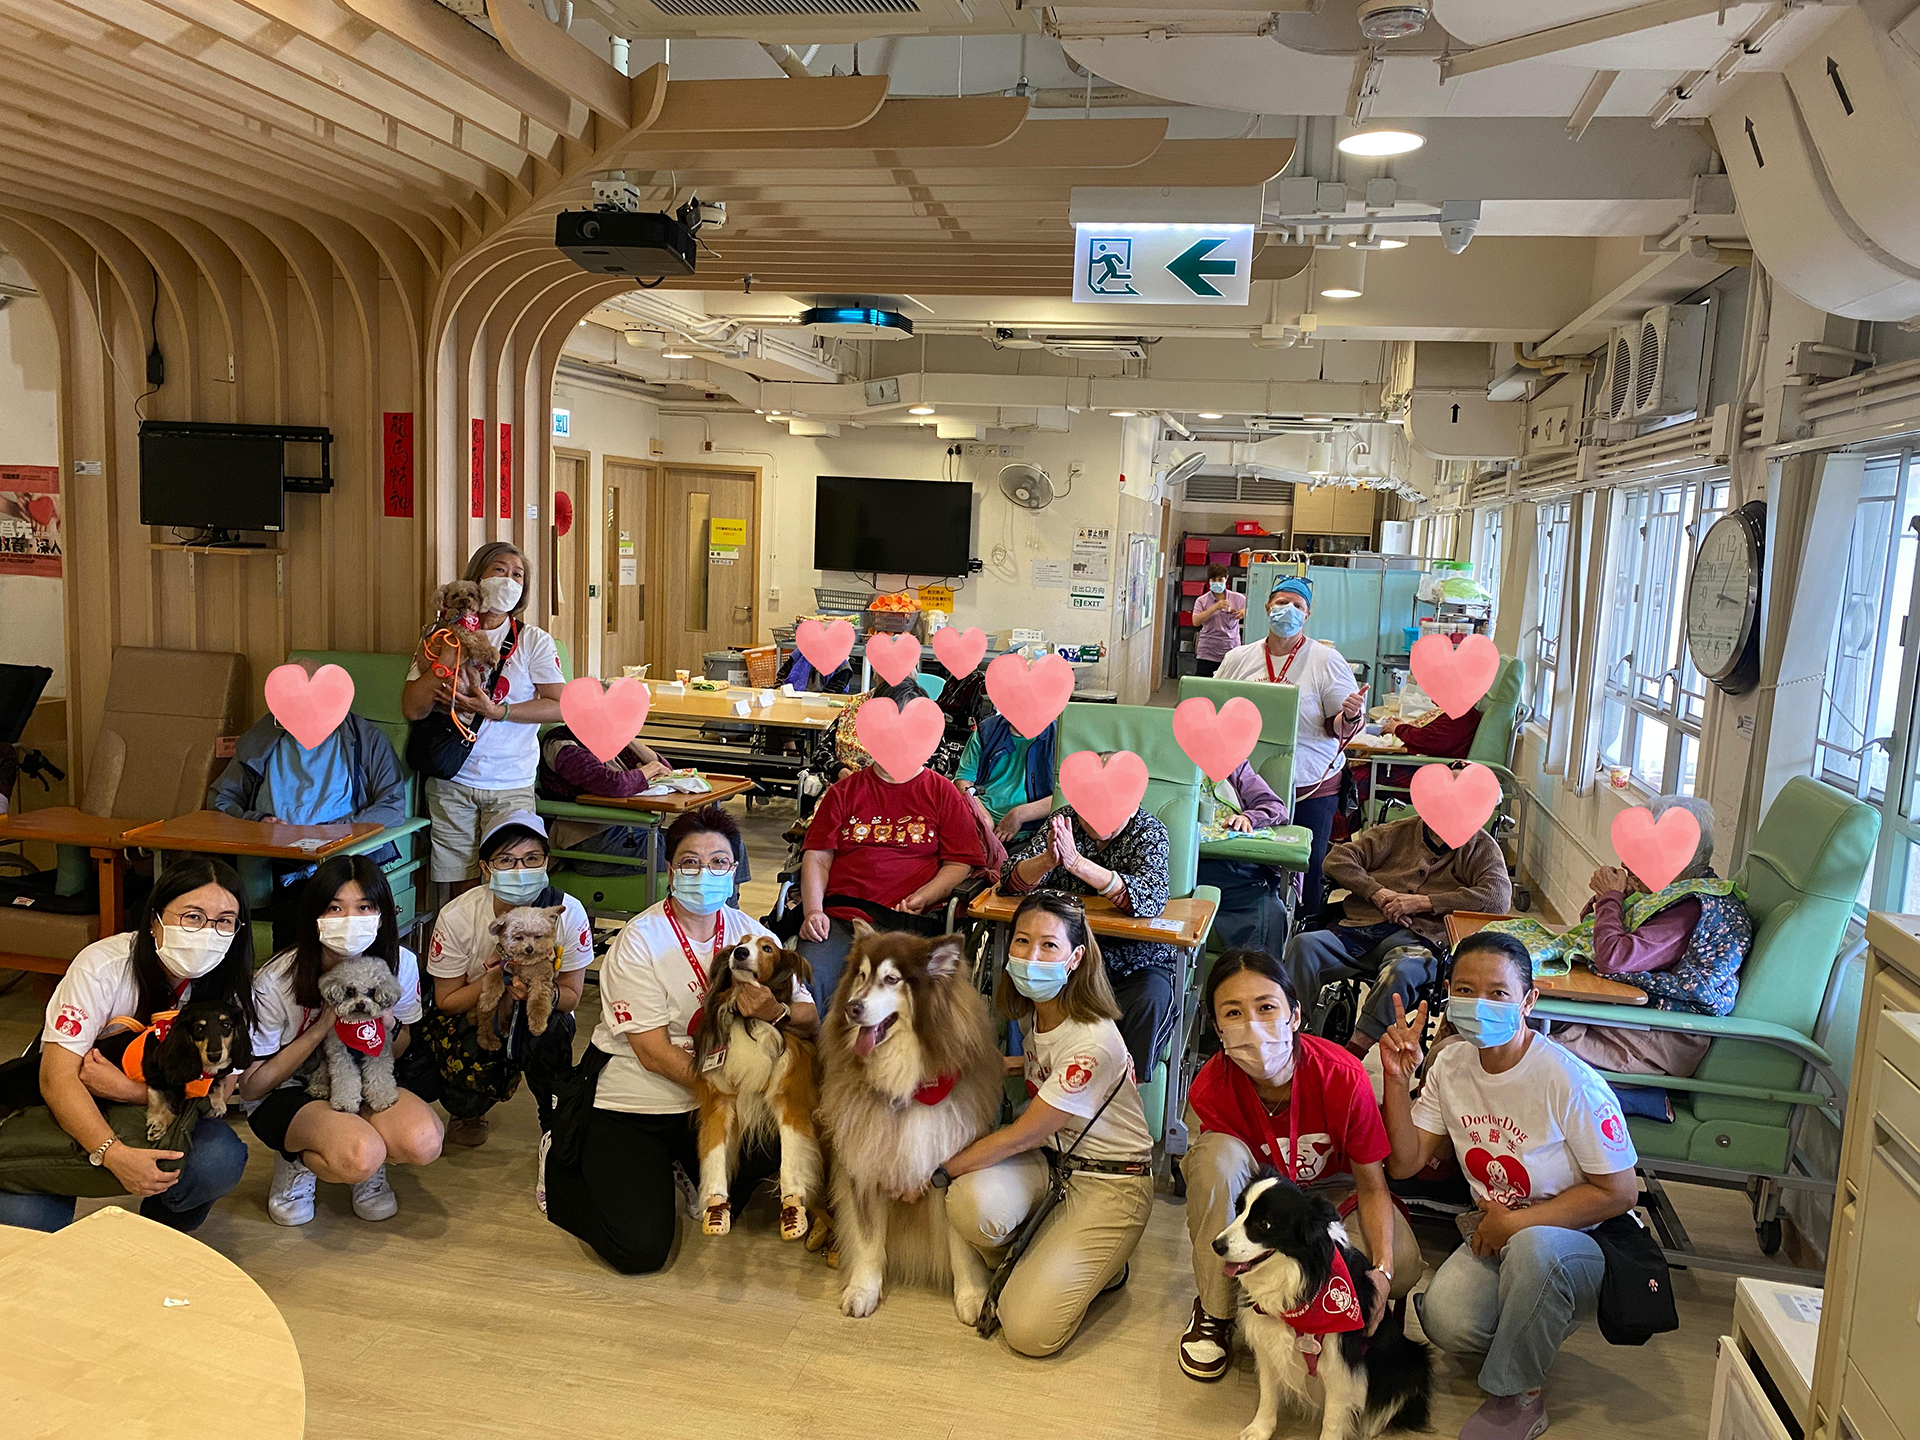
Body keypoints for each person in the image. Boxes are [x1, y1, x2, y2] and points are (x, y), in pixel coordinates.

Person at [1382, 932, 1638, 1440]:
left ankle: (1519, 1396)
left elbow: (1620, 1193)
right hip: (1499, 1230)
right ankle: (1531, 1326)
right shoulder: (1451, 1065)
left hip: (1585, 1240)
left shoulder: (1567, 1080)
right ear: (1448, 995)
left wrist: (1516, 1223)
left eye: (1498, 992)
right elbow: (1405, 1164)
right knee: (1446, 1321)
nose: (1479, 1004)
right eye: (1465, 990)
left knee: (1534, 1250)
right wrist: (1395, 1078)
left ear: (1528, 1001)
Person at [544, 806, 819, 1274]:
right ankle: (563, 1159)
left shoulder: (751, 934)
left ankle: (692, 1172)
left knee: (793, 1120)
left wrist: (776, 1013)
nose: (704, 873)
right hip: (639, 1101)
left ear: (734, 871)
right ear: (671, 872)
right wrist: (731, 1088)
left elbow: (809, 1017)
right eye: (690, 862)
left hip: (715, 1102)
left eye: (718, 862)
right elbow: (654, 1054)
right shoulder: (640, 940)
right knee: (639, 1250)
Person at [1177, 948, 1422, 1381]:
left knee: (1401, 1267)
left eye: (1266, 1007)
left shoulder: (1343, 1075)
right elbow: (1223, 1178)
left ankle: (1313, 1314)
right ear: (1217, 1029)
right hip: (1261, 1199)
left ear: (1294, 1015)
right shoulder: (1211, 1087)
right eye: (1233, 1013)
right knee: (1214, 1157)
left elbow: (1372, 1185)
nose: (1253, 1026)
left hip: (1334, 1191)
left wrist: (1382, 1271)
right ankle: (1216, 1311)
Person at [938, 892, 1153, 1357]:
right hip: (1053, 1162)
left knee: (1028, 1332)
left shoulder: (1090, 1040)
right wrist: (1003, 1065)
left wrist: (937, 1170)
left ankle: (1097, 1266)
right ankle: (1049, 1255)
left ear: (1075, 958)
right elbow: (1048, 1069)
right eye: (1022, 940)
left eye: (1049, 945)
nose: (1031, 956)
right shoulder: (1041, 1011)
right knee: (970, 1205)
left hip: (1110, 1180)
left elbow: (1021, 1135)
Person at [0, 858, 255, 1233]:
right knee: (29, 1223)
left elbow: (221, 1083)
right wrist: (113, 1154)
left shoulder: (229, 982)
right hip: (67, 1103)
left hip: (148, 1104)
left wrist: (131, 1092)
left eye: (224, 921)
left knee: (218, 1158)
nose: (208, 932)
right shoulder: (103, 966)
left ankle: (156, 1234)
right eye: (193, 917)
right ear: (154, 919)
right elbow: (57, 1078)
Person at [240, 856, 444, 1225]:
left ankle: (366, 1155)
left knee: (424, 1142)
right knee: (358, 1155)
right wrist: (322, 1028)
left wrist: (386, 1025)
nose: (350, 919)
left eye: (364, 907)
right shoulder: (275, 980)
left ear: (382, 913)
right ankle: (298, 1160)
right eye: (335, 908)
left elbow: (399, 1048)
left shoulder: (399, 964)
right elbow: (252, 1087)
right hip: (290, 1087)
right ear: (314, 915)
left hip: (366, 1073)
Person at [1541, 795, 1750, 1079]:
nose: (1626, 863)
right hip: (1635, 1019)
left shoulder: (1691, 907)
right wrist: (1622, 901)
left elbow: (1613, 958)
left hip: (1659, 1036)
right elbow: (1595, 935)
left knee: (1522, 1041)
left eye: (1642, 851)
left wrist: (1611, 897)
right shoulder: (1676, 890)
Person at [401, 542, 566, 897]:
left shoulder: (533, 641)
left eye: (517, 575)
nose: (509, 579)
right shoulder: (439, 635)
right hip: (452, 780)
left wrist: (497, 711)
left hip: (511, 782)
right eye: (499, 570)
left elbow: (561, 706)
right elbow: (413, 709)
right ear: (476, 577)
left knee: (509, 885)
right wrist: (447, 656)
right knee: (459, 889)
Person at [421, 811, 591, 1147]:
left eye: (532, 858)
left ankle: (553, 1120)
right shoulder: (457, 915)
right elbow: (446, 1001)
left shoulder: (566, 912)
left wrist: (537, 994)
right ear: (486, 868)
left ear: (547, 861)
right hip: (478, 1009)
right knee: (461, 1091)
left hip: (539, 1006)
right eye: (506, 860)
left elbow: (572, 994)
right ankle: (468, 1109)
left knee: (550, 1031)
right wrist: (496, 973)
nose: (520, 869)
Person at [1286, 810, 1511, 1056]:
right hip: (1361, 929)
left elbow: (1497, 897)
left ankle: (1353, 1052)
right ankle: (1290, 1036)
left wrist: (1424, 902)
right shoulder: (1398, 831)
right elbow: (1337, 859)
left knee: (1401, 971)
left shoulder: (1480, 847)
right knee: (1304, 946)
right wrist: (1377, 893)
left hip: (1424, 941)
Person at [1214, 576, 1365, 915]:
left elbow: (1339, 728)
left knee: (1306, 871)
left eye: (1297, 605)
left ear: (1307, 615)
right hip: (1246, 790)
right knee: (1245, 867)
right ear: (1268, 607)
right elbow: (1212, 709)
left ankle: (1305, 931)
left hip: (1310, 788)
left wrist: (1350, 715)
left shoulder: (1326, 661)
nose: (1288, 610)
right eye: (1282, 603)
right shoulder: (1239, 658)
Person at [796, 738, 986, 1008]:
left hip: (909, 922)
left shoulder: (942, 792)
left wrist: (924, 896)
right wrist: (813, 911)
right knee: (808, 980)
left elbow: (959, 863)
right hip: (841, 918)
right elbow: (817, 857)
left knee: (906, 995)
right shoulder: (843, 791)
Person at [1002, 798, 1174, 1079]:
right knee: (1024, 976)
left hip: (1135, 960)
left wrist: (1078, 864)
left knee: (1151, 997)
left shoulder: (1150, 831)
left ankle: (1126, 1087)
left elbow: (1151, 897)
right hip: (1069, 956)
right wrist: (1046, 861)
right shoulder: (1063, 822)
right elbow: (1009, 879)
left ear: (1132, 806)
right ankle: (1031, 1077)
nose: (1097, 821)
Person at [1195, 758, 1293, 956]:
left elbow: (1275, 806)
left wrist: (1249, 817)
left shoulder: (1232, 764)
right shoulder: (1161, 762)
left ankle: (1255, 973)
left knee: (1272, 911)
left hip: (1234, 864)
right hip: (1189, 865)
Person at [954, 712, 1057, 842]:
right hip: (980, 820)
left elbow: (1068, 796)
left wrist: (1019, 815)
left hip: (1032, 830)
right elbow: (963, 779)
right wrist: (983, 817)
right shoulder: (986, 730)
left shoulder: (1058, 735)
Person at [1191, 564, 1245, 677]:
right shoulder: (1201, 600)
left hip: (1231, 650)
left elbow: (1252, 610)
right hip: (1207, 652)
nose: (1217, 583)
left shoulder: (1238, 598)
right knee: (1204, 684)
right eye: (1214, 580)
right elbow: (1195, 621)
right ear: (1209, 581)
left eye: (1220, 580)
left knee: (1228, 684)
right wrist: (1215, 607)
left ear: (1226, 579)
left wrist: (1244, 612)